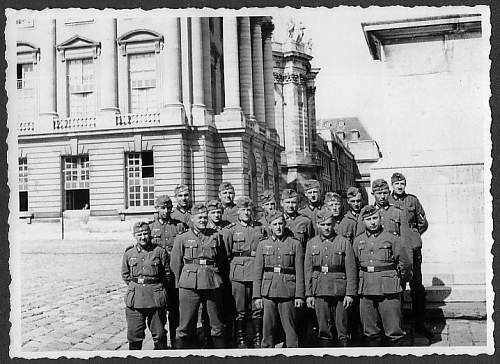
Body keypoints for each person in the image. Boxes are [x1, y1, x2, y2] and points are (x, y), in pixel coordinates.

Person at [170, 203, 228, 349]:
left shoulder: (215, 236)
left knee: (216, 324)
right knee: (185, 324)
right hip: (189, 284)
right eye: (199, 217)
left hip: (211, 281)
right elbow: (176, 264)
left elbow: (221, 260)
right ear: (192, 219)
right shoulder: (182, 238)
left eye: (204, 217)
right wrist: (181, 283)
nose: (202, 220)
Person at [353, 206, 412, 346]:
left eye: (375, 218)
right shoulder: (357, 241)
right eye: (368, 219)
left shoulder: (392, 239)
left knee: (394, 331)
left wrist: (398, 282)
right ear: (363, 221)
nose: (372, 222)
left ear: (380, 219)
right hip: (366, 288)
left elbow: (405, 264)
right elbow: (354, 265)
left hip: (388, 289)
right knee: (370, 331)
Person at [304, 208, 357, 347]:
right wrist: (308, 294)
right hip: (319, 290)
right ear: (317, 225)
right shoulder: (311, 244)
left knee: (342, 328)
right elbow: (308, 270)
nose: (326, 228)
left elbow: (351, 270)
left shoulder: (343, 242)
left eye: (329, 224)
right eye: (323, 225)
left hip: (340, 291)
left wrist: (350, 294)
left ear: (334, 224)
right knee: (323, 329)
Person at [253, 210, 305, 348]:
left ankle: (293, 354)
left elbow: (300, 272)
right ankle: (266, 354)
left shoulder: (295, 244)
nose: (278, 227)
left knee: (290, 328)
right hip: (268, 291)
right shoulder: (263, 244)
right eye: (274, 224)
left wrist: (299, 295)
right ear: (269, 226)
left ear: (285, 224)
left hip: (288, 291)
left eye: (280, 223)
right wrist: (257, 296)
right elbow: (258, 273)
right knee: (267, 327)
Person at [389, 172, 431, 338]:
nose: (400, 186)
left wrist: (412, 235)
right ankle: (397, 325)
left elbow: (423, 222)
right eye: (397, 184)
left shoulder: (412, 200)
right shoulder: (388, 201)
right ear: (392, 185)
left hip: (412, 250)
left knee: (417, 287)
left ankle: (420, 324)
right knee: (397, 286)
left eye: (402, 184)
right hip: (397, 250)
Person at [121, 221, 172, 350]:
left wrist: (156, 288)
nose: (143, 237)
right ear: (134, 236)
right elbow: (126, 275)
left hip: (155, 298)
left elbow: (167, 275)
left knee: (159, 334)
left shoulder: (159, 251)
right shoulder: (129, 253)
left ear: (150, 234)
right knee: (134, 334)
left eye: (145, 233)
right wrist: (138, 286)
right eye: (139, 234)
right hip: (135, 299)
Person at [224, 197, 266, 348]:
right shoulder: (230, 230)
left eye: (249, 210)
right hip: (238, 274)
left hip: (256, 272)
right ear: (238, 212)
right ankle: (240, 339)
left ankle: (257, 338)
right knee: (240, 309)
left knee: (257, 308)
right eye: (243, 210)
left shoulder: (260, 228)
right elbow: (227, 254)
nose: (247, 213)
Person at [149, 195, 187, 348]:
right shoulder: (150, 228)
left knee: (175, 310)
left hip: (174, 274)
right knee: (158, 311)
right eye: (162, 208)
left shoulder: (179, 226)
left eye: (168, 208)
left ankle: (176, 341)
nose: (166, 211)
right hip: (158, 277)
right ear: (156, 208)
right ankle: (161, 342)